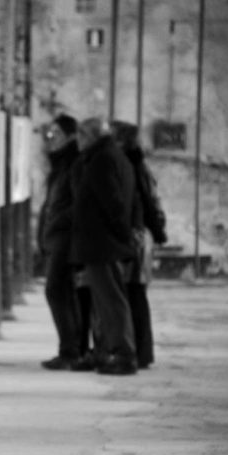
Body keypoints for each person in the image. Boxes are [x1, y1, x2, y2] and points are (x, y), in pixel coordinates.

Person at [70, 118, 138, 375]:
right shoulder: (108, 156)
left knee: (111, 301)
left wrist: (121, 240)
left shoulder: (103, 160)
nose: (78, 140)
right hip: (102, 243)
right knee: (104, 301)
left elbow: (113, 203)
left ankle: (123, 353)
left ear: (91, 136)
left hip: (104, 244)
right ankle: (108, 350)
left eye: (81, 135)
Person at [111, 120, 168, 369]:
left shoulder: (131, 168)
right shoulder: (136, 166)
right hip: (140, 235)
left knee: (133, 294)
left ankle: (139, 351)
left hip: (136, 237)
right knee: (134, 294)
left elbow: (145, 203)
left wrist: (154, 231)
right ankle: (141, 351)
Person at [37, 114, 86, 370]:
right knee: (60, 291)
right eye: (49, 134)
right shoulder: (61, 164)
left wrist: (56, 222)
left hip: (66, 239)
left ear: (70, 137)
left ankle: (71, 349)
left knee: (57, 290)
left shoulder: (73, 164)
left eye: (56, 134)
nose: (51, 138)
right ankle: (70, 348)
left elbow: (77, 204)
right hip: (57, 237)